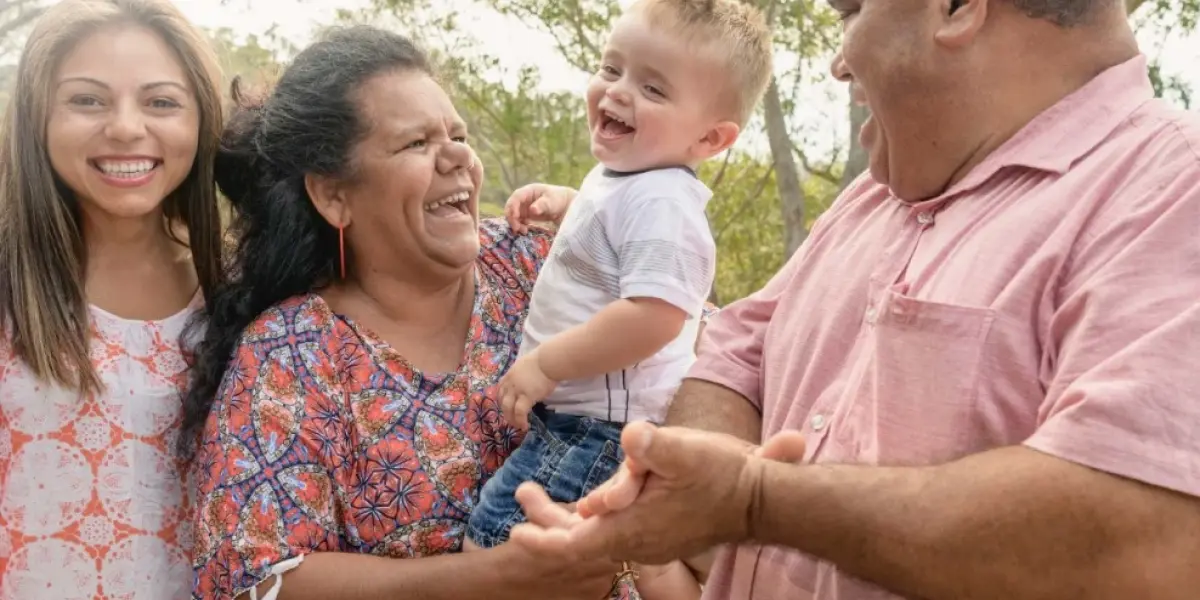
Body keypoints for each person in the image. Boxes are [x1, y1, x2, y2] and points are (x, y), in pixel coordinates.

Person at [507, 0, 1200, 599]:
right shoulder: (874, 193)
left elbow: (1142, 538)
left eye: (851, 15)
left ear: (957, 8)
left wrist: (755, 503)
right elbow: (733, 358)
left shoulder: (1170, 189)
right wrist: (700, 509)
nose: (840, 64)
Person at [182, 25, 669, 600]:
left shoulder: (540, 261)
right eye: (416, 144)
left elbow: (704, 348)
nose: (459, 155)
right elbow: (253, 580)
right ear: (333, 196)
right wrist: (492, 580)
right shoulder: (293, 354)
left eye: (458, 135)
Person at [465, 1, 772, 597]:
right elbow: (615, 243)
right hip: (586, 420)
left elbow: (654, 317)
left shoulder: (664, 202)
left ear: (710, 137)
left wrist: (548, 364)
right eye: (612, 69)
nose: (618, 91)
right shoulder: (633, 177)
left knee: (498, 541)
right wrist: (567, 205)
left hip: (602, 428)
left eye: (652, 87)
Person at [0, 0, 225, 598]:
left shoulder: (243, 293)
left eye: (160, 102)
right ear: (36, 118)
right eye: (87, 100)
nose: (126, 127)